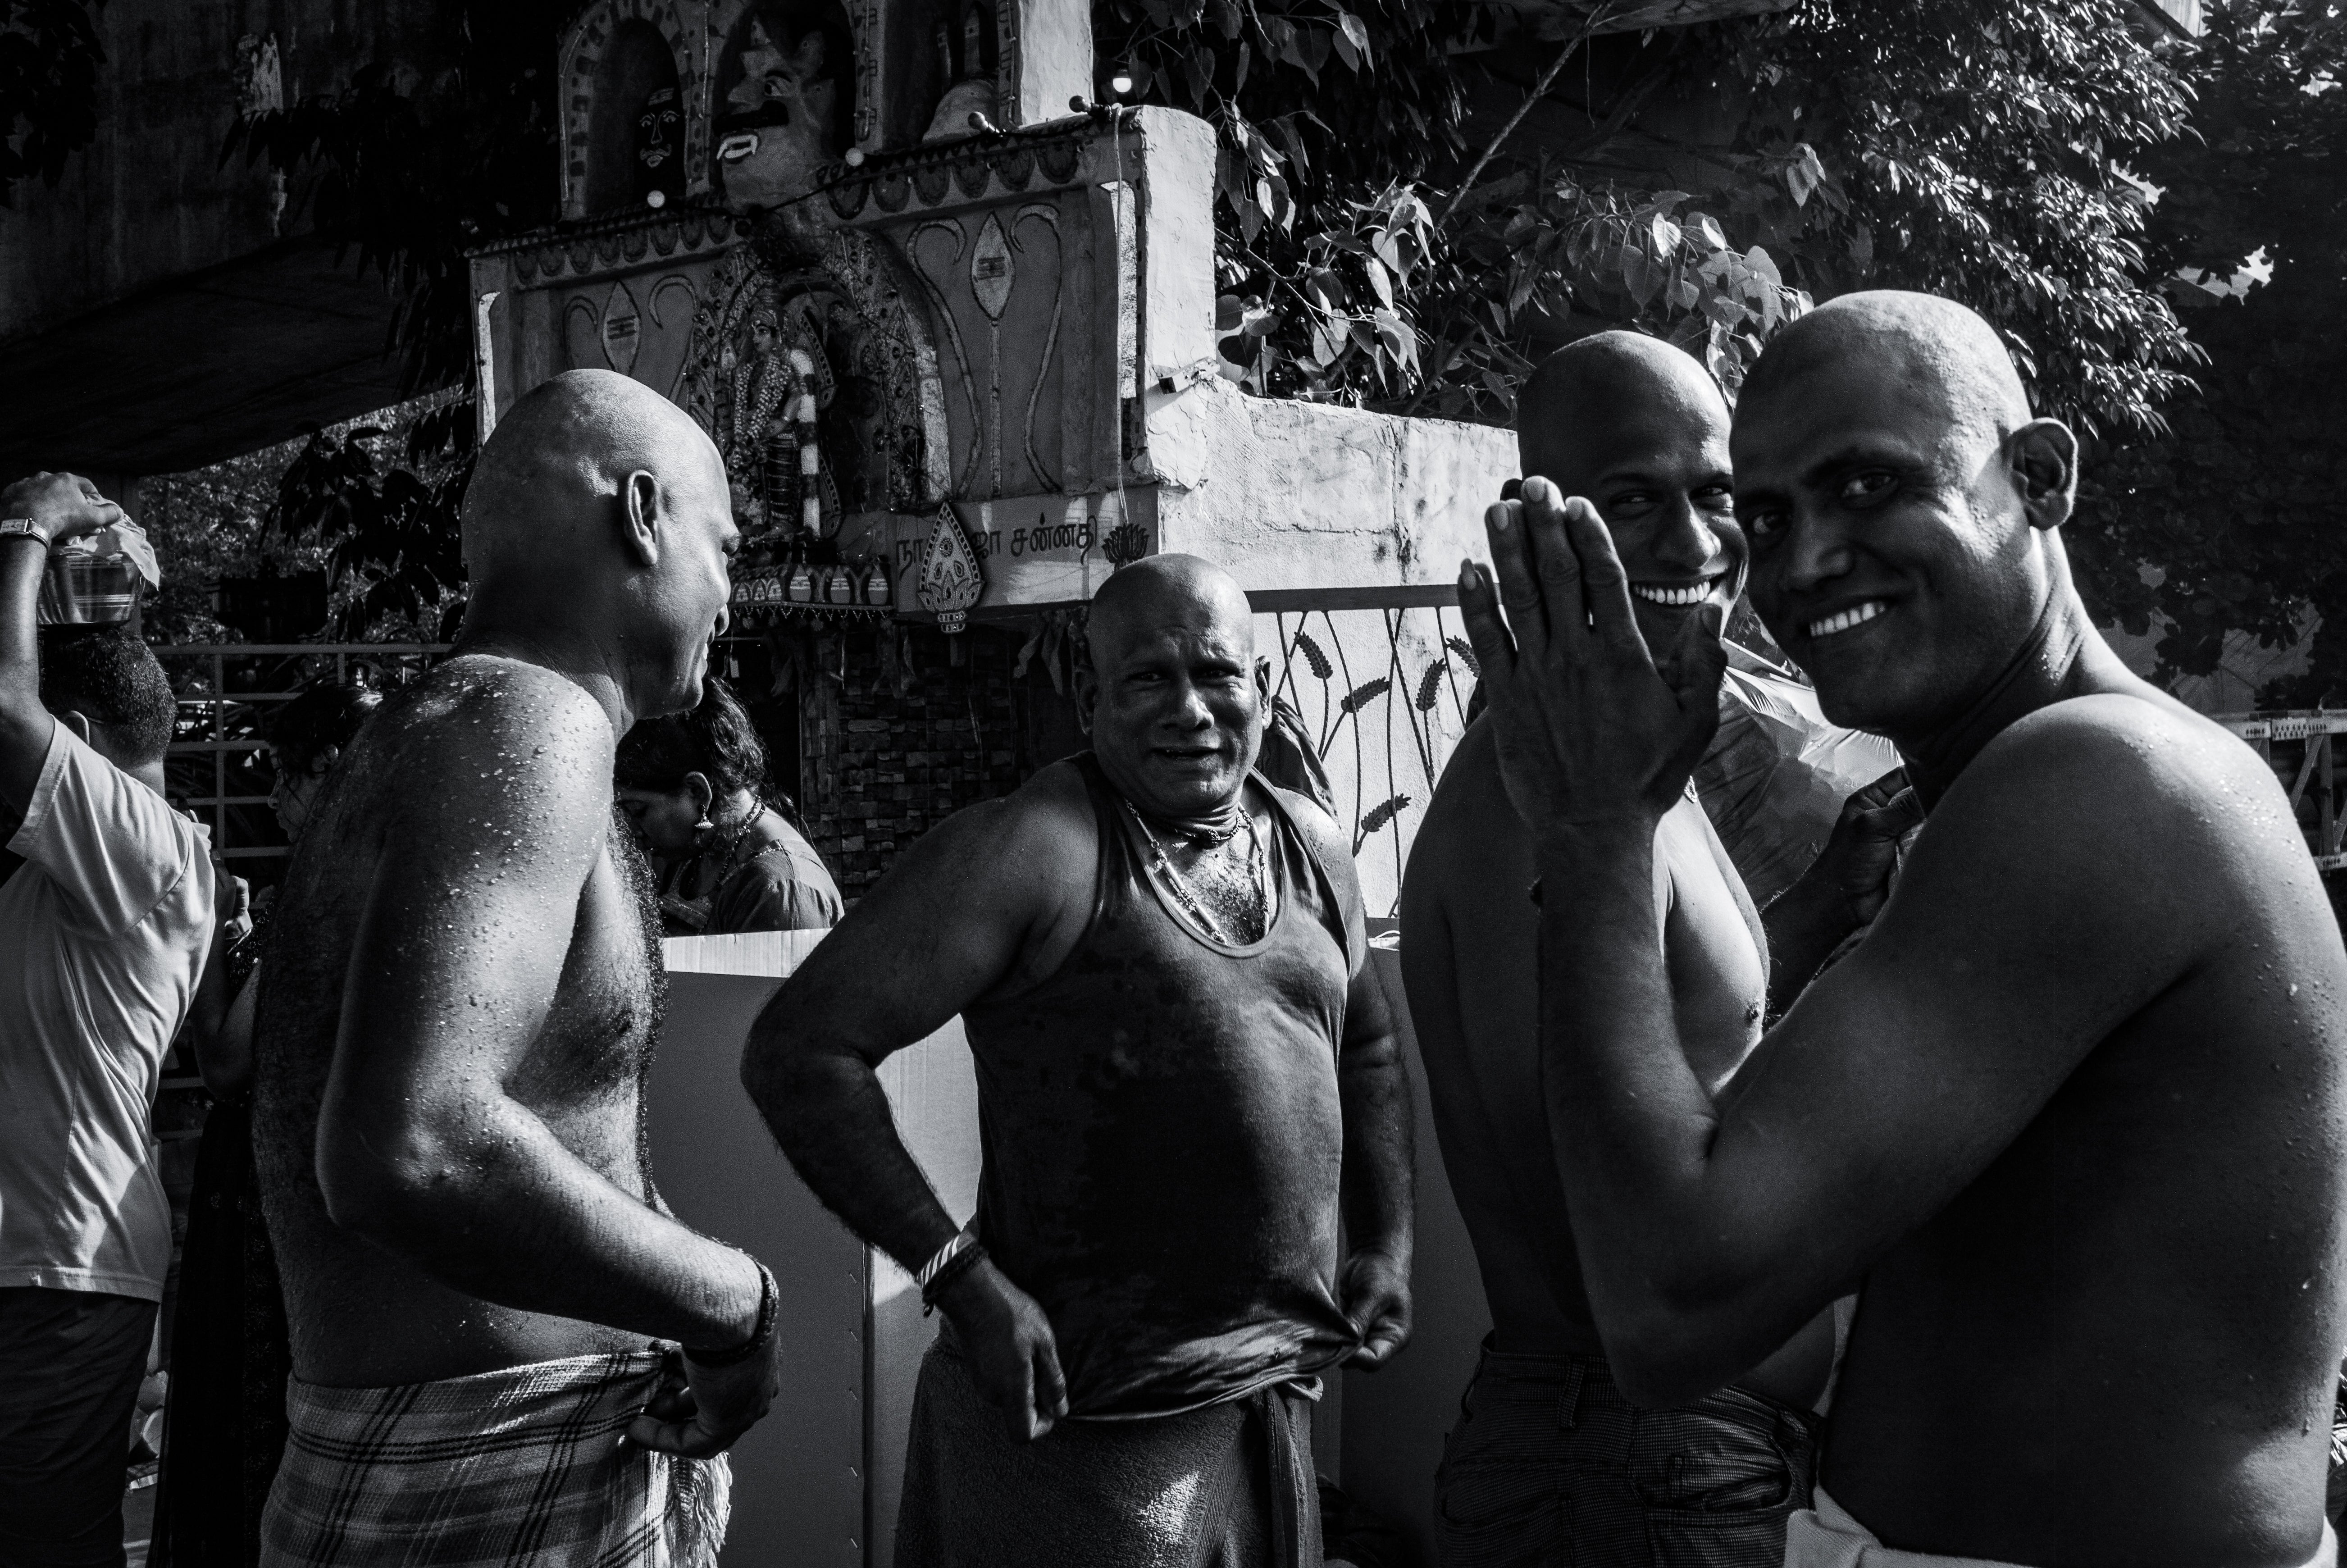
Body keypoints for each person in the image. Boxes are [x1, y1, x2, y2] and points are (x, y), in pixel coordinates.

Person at [1457, 291, 2347, 1568]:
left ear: (2037, 479)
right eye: (1768, 517)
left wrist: (1598, 826)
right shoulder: (2016, 801)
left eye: (1867, 486)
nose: (1804, 556)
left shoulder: (2100, 780)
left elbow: (1666, 1309)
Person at [742, 553, 1414, 1567]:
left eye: (1217, 675)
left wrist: (1387, 1243)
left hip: (1270, 1406)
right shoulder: (1035, 851)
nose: (1191, 709)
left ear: (1263, 691)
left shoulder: (1311, 847)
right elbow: (803, 1052)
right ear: (1092, 700)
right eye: (1149, 679)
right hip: (1081, 1441)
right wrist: (958, 1276)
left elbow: (1363, 1046)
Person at [249, 369, 778, 1568]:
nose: (730, 602)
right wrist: (731, 1304)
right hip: (488, 1469)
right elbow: (413, 1147)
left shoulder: (463, 726)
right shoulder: (523, 724)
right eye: (728, 548)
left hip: (473, 1452)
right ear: (644, 514)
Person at [1403, 334, 1914, 1567]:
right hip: (1631, 1466)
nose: (1696, 544)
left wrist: (1808, 925)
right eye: (1633, 501)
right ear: (1531, 526)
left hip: (1680, 1456)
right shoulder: (1536, 804)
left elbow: (1649, 1035)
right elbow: (1592, 1206)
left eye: (1715, 495)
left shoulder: (1626, 773)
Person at [0, 472, 220, 1568]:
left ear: (77, 740)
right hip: (37, 1267)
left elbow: (5, 707)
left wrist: (27, 528)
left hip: (66, 1270)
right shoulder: (65, 869)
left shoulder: (148, 841)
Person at [156, 678, 381, 1568]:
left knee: (256, 1412)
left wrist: (214, 930)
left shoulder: (330, 890)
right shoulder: (384, 877)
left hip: (264, 1195)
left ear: (324, 773)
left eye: (286, 777)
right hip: (319, 1180)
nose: (280, 799)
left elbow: (225, 1060)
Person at [615, 675, 841, 936]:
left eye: (638, 811)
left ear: (698, 793)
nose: (633, 829)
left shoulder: (781, 892)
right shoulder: (694, 848)